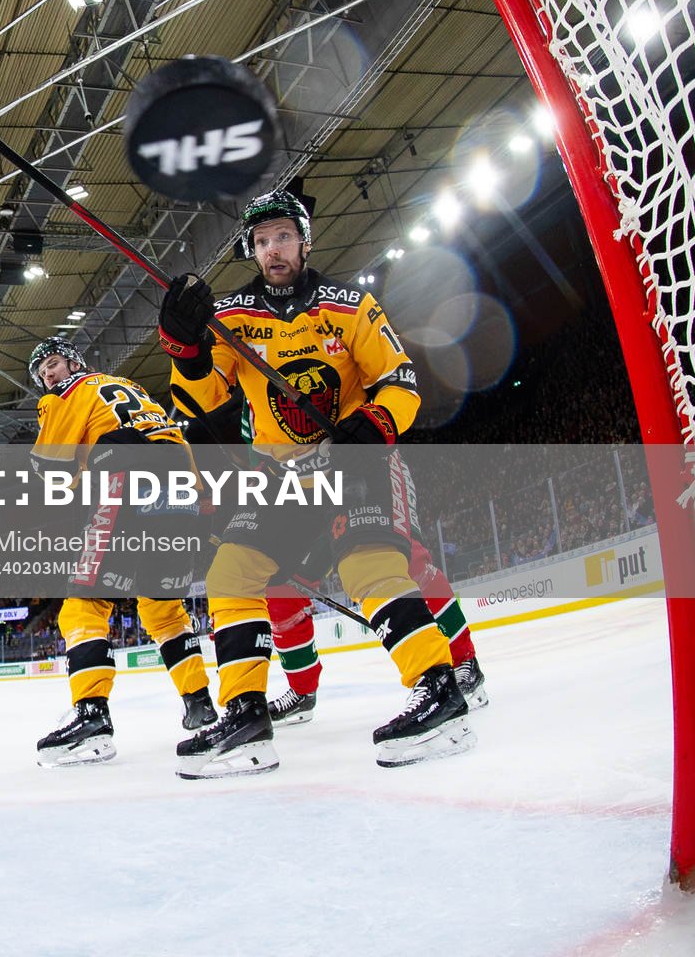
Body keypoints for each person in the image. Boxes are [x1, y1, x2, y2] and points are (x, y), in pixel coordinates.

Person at [158, 188, 474, 776]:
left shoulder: (348, 305)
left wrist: (374, 426)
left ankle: (439, 692)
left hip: (352, 463)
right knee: (231, 574)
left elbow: (399, 380)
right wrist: (185, 348)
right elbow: (201, 402)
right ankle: (247, 715)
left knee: (366, 565)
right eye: (259, 241)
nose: (271, 249)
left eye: (281, 236)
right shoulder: (229, 320)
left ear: (304, 240)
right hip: (279, 476)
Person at [25, 337, 216, 766]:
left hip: (127, 483)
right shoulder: (132, 387)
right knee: (162, 610)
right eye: (42, 373)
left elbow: (51, 468)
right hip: (183, 496)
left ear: (72, 362)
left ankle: (92, 720)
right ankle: (200, 704)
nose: (48, 376)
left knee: (82, 607)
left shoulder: (68, 393)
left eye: (52, 363)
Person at [266, 529, 488, 726]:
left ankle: (464, 662)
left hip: (358, 490)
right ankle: (302, 691)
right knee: (281, 592)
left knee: (408, 562)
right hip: (311, 508)